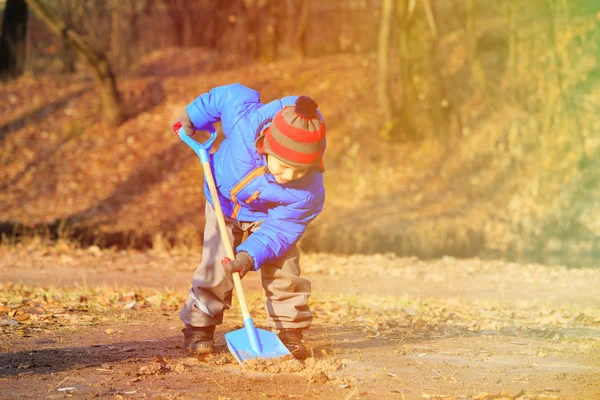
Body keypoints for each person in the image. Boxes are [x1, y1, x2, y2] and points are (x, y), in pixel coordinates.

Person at [172, 83, 326, 360]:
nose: (289, 176)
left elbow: (281, 230)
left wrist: (247, 256)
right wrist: (193, 117)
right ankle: (200, 325)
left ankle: (289, 330)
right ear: (264, 146)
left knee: (285, 267)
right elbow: (227, 95)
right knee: (216, 263)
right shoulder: (245, 121)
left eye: (300, 170)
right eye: (283, 165)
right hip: (224, 202)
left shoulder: (309, 191)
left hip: (269, 218)